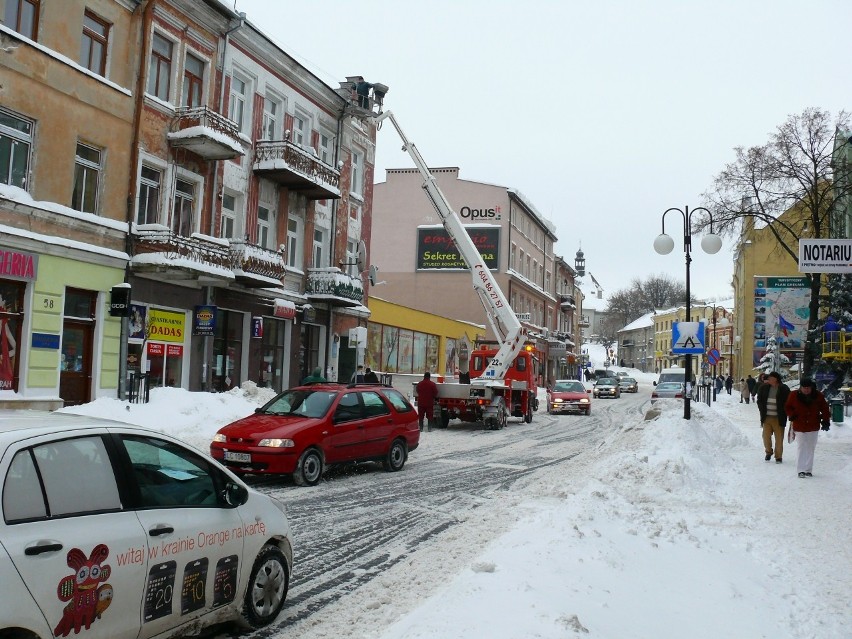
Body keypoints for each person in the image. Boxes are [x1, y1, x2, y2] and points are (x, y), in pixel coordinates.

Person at [784, 378, 831, 478]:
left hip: (813, 425)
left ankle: (808, 469)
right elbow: (787, 407)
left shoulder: (818, 395)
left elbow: (825, 408)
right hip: (799, 424)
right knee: (801, 446)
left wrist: (826, 420)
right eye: (804, 388)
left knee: (811, 447)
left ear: (811, 387)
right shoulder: (793, 395)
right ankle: (800, 470)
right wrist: (791, 414)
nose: (806, 390)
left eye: (808, 388)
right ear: (800, 387)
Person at [756, 371, 790, 463]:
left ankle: (778, 456)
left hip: (779, 418)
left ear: (776, 379)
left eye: (770, 378)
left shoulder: (784, 388)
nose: (768, 380)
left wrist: (787, 412)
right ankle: (768, 452)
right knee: (765, 437)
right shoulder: (764, 387)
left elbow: (789, 402)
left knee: (779, 438)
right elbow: (759, 400)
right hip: (767, 417)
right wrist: (761, 409)